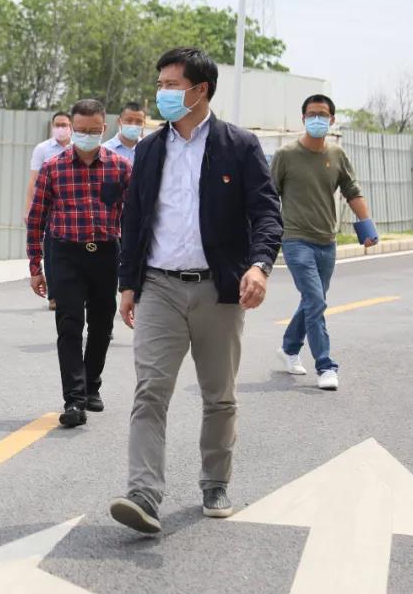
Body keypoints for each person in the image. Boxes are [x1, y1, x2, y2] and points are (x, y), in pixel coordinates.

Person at [110, 47, 282, 533]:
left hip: (218, 291)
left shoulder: (238, 146)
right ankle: (144, 494)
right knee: (150, 391)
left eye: (171, 85)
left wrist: (259, 267)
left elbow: (267, 213)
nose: (162, 93)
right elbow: (134, 218)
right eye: (160, 84)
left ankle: (215, 483)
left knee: (219, 396)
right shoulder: (149, 149)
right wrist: (128, 283)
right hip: (159, 286)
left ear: (200, 90)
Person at [26, 99, 131, 427]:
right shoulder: (53, 168)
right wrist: (35, 266)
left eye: (93, 130)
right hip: (65, 254)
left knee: (102, 324)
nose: (87, 135)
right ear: (71, 128)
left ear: (104, 128)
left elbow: (133, 221)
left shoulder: (120, 168)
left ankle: (91, 385)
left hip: (106, 254)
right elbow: (36, 219)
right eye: (81, 130)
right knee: (69, 324)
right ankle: (73, 399)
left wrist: (133, 270)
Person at [271, 94, 376, 390]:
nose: (317, 119)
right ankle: (326, 366)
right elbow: (268, 195)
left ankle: (289, 348)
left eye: (323, 115)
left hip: (327, 241)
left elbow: (352, 190)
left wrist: (367, 227)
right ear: (303, 118)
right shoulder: (286, 155)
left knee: (312, 301)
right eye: (311, 114)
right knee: (316, 301)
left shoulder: (337, 155)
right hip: (295, 239)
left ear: (332, 120)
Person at [25, 111, 73, 311]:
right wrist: (29, 209)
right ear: (52, 126)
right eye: (57, 124)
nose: (61, 128)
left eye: (64, 124)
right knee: (51, 252)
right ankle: (54, 295)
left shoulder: (78, 147)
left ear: (71, 126)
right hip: (49, 206)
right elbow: (33, 181)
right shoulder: (43, 149)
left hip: (71, 210)